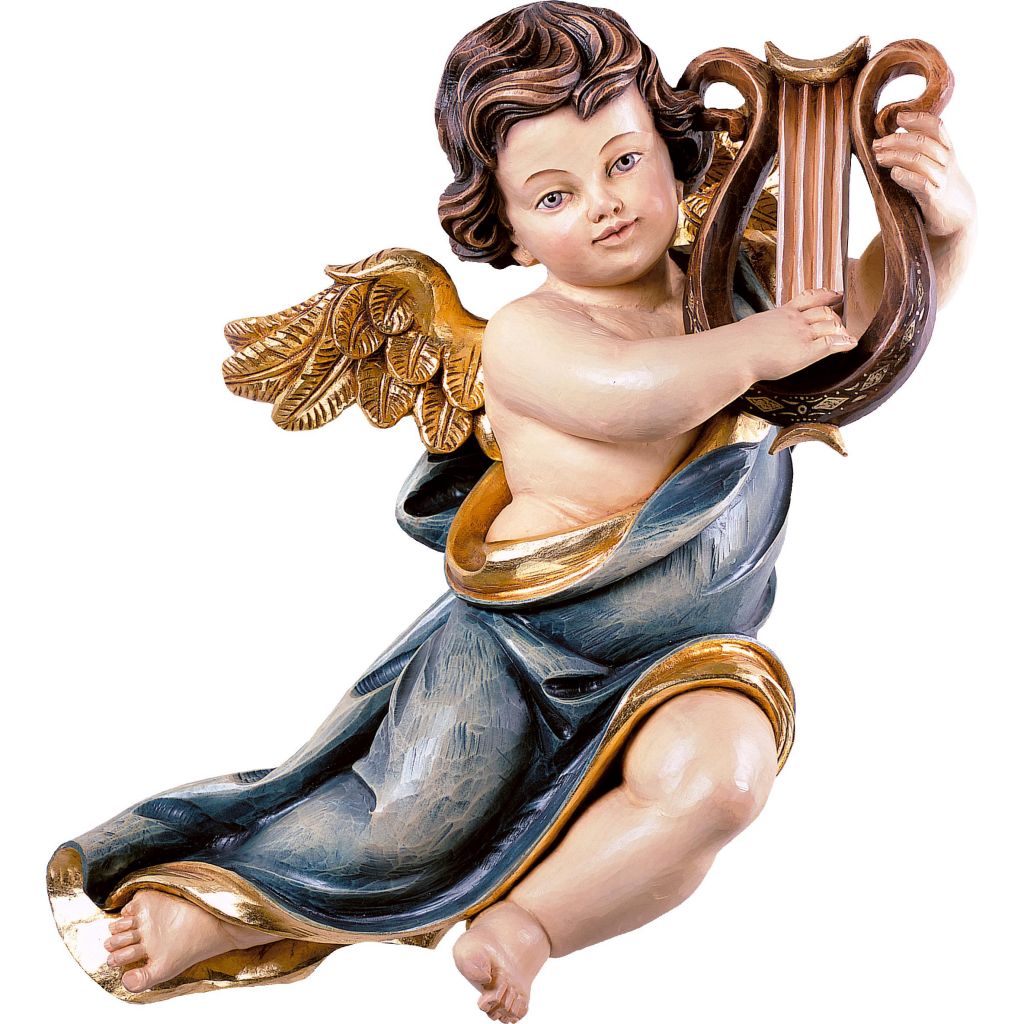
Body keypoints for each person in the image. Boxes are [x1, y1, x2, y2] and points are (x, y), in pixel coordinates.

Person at [48, 4, 974, 1022]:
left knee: (723, 778)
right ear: (506, 226)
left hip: (684, 652)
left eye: (624, 163)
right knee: (401, 826)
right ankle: (219, 906)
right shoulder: (531, 337)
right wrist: (755, 348)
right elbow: (634, 395)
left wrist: (936, 231)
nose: (604, 205)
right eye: (554, 194)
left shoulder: (731, 286)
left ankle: (532, 923)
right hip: (519, 649)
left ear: (674, 153)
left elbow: (866, 325)